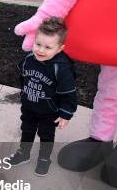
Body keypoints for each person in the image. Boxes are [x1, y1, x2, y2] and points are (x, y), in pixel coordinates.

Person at [9, 17, 77, 176]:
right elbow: (23, 77)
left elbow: (69, 93)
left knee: (46, 135)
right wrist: (24, 94)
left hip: (49, 112)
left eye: (48, 47)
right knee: (26, 130)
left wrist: (66, 113)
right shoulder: (29, 60)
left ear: (60, 49)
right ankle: (23, 153)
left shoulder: (61, 68)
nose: (41, 50)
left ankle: (44, 159)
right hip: (30, 106)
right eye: (38, 44)